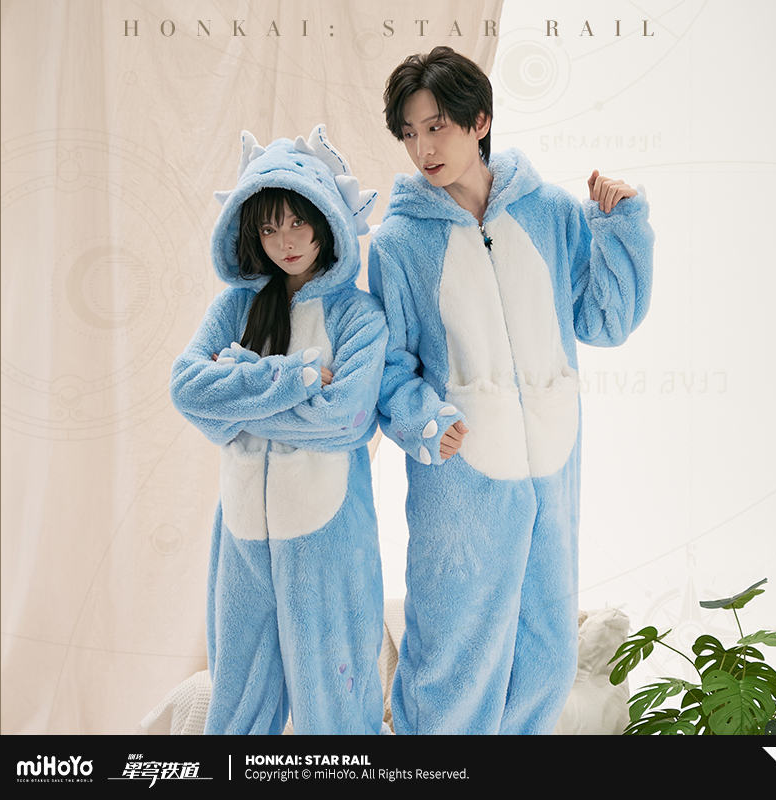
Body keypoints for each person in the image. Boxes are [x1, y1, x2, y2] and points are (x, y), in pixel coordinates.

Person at [368, 46, 654, 735]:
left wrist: (623, 227)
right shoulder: (397, 243)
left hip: (551, 473)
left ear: (480, 122)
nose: (423, 148)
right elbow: (389, 364)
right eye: (409, 133)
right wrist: (424, 419)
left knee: (547, 660)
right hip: (460, 483)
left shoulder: (550, 213)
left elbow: (605, 320)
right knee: (453, 662)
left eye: (437, 127)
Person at [171, 125, 388, 735]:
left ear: (325, 222)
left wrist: (236, 392)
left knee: (336, 707)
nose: (285, 241)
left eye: (296, 222)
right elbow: (188, 390)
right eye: (268, 229)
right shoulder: (234, 309)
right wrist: (296, 377)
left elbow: (345, 418)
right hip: (241, 530)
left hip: (328, 536)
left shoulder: (358, 314)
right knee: (237, 705)